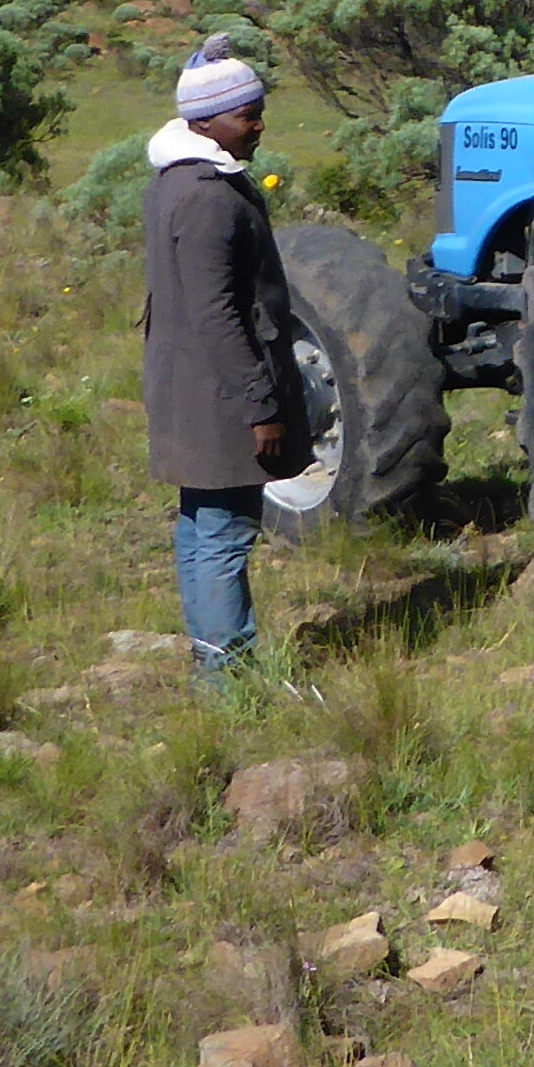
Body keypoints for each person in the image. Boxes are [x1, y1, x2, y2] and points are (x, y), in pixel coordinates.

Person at [140, 34, 303, 682]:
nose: (259, 125)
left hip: (189, 387)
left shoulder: (173, 181)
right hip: (219, 396)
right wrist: (260, 406)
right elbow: (218, 314)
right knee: (225, 534)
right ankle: (227, 677)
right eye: (248, 115)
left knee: (201, 528)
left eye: (260, 109)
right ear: (205, 120)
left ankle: (213, 666)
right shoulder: (208, 196)